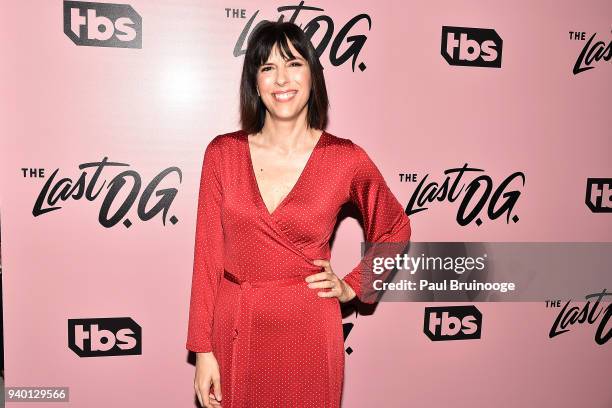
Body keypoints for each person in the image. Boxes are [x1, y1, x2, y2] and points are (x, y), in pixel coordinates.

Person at [186, 20, 411, 408]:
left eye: (293, 64)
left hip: (308, 326)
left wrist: (352, 285)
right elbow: (207, 258)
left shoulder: (344, 159)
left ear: (312, 74)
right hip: (236, 322)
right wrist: (202, 349)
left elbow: (394, 227)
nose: (281, 79)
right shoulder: (222, 154)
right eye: (267, 67)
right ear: (254, 82)